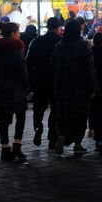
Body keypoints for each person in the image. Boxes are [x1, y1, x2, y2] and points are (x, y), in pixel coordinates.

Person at [50, 18, 95, 155]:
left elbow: (52, 65)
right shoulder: (84, 46)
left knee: (63, 112)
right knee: (80, 114)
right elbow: (90, 68)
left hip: (62, 85)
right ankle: (78, 143)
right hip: (80, 86)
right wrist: (93, 86)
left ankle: (62, 135)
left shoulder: (59, 46)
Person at [0, 21, 29, 161]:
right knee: (21, 116)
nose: (19, 35)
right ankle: (17, 145)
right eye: (17, 32)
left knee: (3, 119)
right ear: (12, 34)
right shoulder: (17, 50)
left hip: (1, 88)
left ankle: (5, 148)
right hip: (16, 88)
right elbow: (22, 72)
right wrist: (26, 86)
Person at [26, 17, 63, 148]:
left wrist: (31, 80)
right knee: (55, 109)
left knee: (39, 107)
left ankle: (38, 128)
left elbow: (28, 62)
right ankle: (52, 137)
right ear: (58, 28)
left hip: (39, 79)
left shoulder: (36, 41)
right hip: (55, 80)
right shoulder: (61, 42)